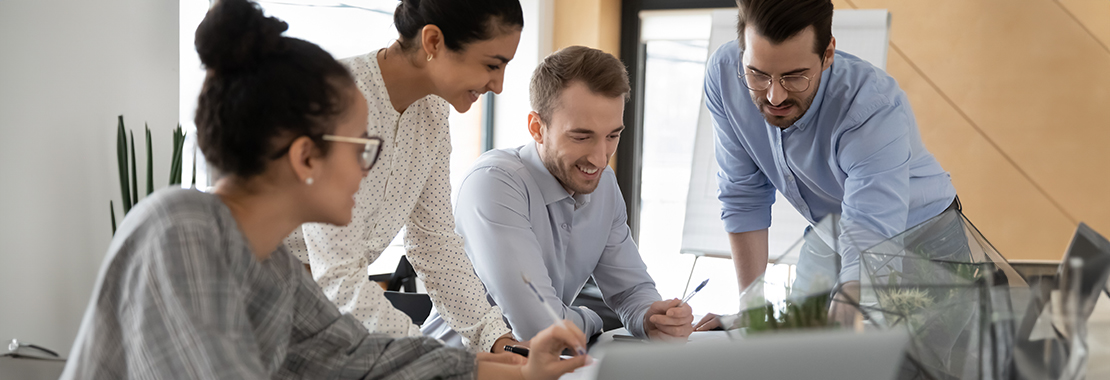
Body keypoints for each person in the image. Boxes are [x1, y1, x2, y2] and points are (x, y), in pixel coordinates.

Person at [61, 1, 586, 378]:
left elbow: (359, 354)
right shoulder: (182, 228)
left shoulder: (273, 270)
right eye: (361, 147)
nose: (368, 169)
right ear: (306, 155)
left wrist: (507, 364)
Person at [695, 0, 958, 329]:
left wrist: (850, 301)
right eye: (758, 74)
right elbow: (743, 195)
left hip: (925, 238)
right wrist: (752, 310)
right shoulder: (723, 76)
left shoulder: (871, 105)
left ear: (828, 54)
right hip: (831, 234)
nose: (775, 96)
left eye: (795, 77)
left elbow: (869, 231)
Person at [282, 0, 524, 353]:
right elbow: (337, 275)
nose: (498, 85)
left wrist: (495, 340)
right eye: (492, 64)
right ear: (433, 42)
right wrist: (441, 359)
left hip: (319, 318)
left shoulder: (433, 114)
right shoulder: (337, 97)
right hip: (252, 307)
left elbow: (434, 241)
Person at [442, 46, 694, 342]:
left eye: (612, 135)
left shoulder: (604, 184)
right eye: (581, 137)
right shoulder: (494, 184)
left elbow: (630, 290)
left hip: (546, 368)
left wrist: (652, 317)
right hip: (458, 368)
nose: (601, 159)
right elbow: (541, 326)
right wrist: (593, 318)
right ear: (537, 128)